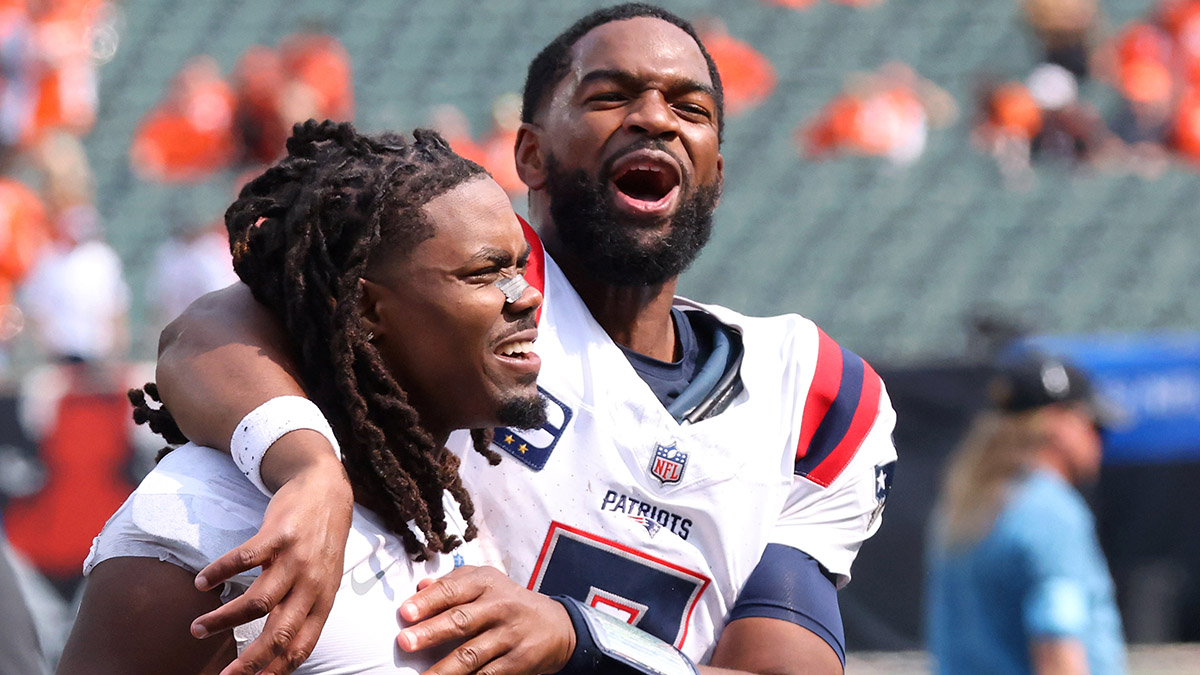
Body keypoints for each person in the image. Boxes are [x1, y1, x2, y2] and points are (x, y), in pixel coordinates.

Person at [156, 5, 898, 675]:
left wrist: (582, 640)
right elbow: (207, 332)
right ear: (532, 156)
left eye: (689, 106)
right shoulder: (464, 284)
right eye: (610, 95)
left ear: (717, 174)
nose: (655, 119)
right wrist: (308, 465)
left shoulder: (810, 389)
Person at [56, 121, 569, 674]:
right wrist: (309, 469)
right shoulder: (206, 520)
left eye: (519, 266)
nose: (527, 296)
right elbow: (204, 327)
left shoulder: (438, 506)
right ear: (367, 311)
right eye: (486, 273)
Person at [924, 355, 1126, 674]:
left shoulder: (966, 506)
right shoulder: (1050, 511)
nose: (1099, 441)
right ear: (1058, 423)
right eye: (1094, 426)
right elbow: (1058, 644)